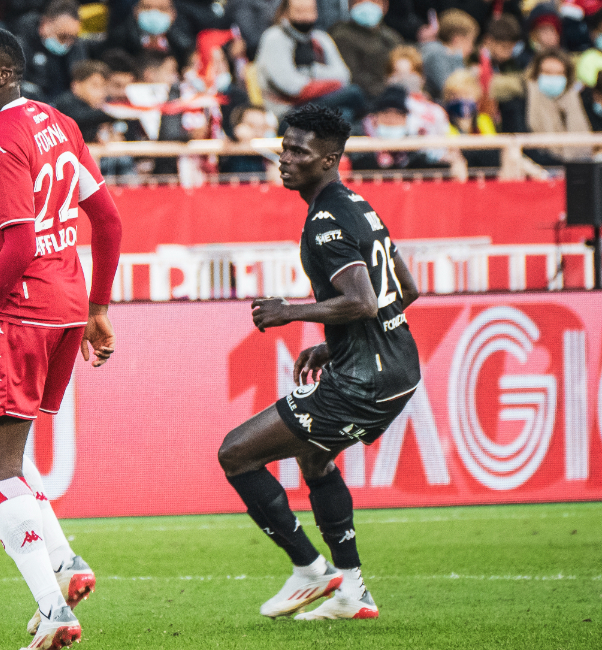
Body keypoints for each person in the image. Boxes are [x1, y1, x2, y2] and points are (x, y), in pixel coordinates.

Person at [0, 26, 122, 650]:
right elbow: (108, 220)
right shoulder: (57, 123)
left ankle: (53, 609)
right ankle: (66, 564)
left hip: (18, 312)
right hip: (64, 307)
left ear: (5, 73)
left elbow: (18, 244)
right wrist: (96, 308)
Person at [218, 103, 420, 622]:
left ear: (328, 159)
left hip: (364, 382)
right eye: (284, 147)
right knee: (315, 460)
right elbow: (406, 288)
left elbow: (363, 302)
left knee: (237, 453)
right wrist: (334, 345)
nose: (285, 158)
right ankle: (352, 591)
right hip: (396, 369)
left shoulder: (327, 219)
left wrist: (289, 312)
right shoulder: (359, 205)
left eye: (298, 152)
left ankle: (310, 570)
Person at [255, 0, 362, 123]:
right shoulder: (274, 37)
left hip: (321, 101)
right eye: (299, 11)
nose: (306, 16)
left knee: (345, 113)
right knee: (353, 94)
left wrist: (313, 72)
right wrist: (328, 83)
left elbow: (344, 77)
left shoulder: (320, 38)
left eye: (310, 11)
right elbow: (291, 87)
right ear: (285, 13)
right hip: (287, 110)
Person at [523, 50, 591, 163]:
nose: (553, 78)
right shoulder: (523, 99)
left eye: (559, 73)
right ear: (536, 74)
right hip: (538, 165)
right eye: (547, 72)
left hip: (577, 164)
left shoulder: (578, 99)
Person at [329, 0, 403, 101]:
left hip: (395, 94)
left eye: (374, 1)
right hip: (365, 98)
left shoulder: (391, 37)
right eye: (361, 1)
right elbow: (353, 76)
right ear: (350, 5)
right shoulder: (341, 36)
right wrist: (387, 94)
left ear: (385, 6)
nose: (368, 4)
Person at [20, 0, 88, 103]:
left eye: (73, 37)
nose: (67, 43)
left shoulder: (76, 48)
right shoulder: (23, 46)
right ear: (45, 25)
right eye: (63, 36)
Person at [102, 0, 196, 70]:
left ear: (173, 14)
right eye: (147, 7)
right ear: (136, 11)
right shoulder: (118, 41)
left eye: (161, 8)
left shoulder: (183, 46)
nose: (154, 13)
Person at [419, 8, 478, 100]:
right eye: (470, 41)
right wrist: (472, 73)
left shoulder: (446, 55)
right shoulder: (436, 53)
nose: (471, 49)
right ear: (457, 39)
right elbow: (451, 89)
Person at [51, 60, 114, 143]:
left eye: (104, 87)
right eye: (95, 85)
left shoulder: (94, 109)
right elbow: (77, 118)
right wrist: (113, 112)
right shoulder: (65, 103)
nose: (101, 92)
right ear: (76, 85)